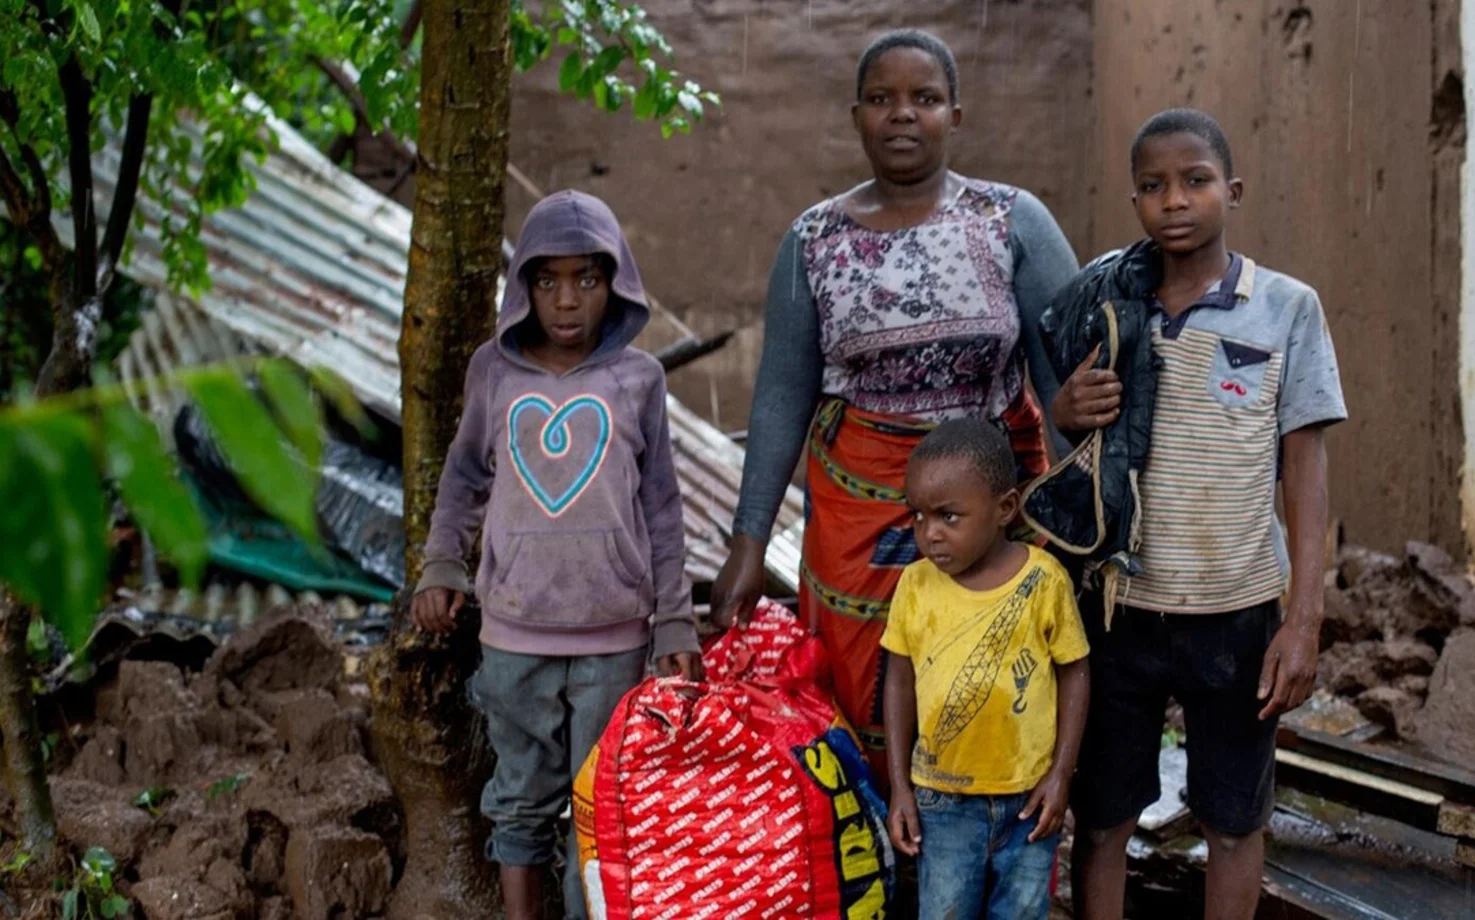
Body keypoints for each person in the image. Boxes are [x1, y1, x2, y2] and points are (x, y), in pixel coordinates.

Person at [712, 28, 1081, 775]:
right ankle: (875, 856)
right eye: (881, 99)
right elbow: (781, 396)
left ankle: (982, 853)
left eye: (924, 98)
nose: (902, 115)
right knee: (861, 673)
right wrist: (748, 543)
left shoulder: (1012, 221)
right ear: (855, 116)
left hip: (998, 502)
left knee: (993, 669)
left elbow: (1065, 385)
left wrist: (1085, 527)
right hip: (861, 507)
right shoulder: (813, 239)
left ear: (955, 114)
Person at [1055, 110, 1347, 920]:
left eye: (1195, 181)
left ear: (1233, 191)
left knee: (1231, 815)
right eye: (1152, 186)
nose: (1173, 201)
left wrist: (1303, 620)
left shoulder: (1285, 308)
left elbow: (1306, 465)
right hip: (1117, 608)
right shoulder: (1108, 303)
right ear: (1134, 199)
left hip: (1238, 612)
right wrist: (1066, 407)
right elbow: (1069, 433)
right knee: (1106, 813)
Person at [409, 190, 702, 920]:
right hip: (513, 633)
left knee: (599, 805)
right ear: (523, 287)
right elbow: (465, 476)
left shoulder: (640, 381)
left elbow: (662, 507)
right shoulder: (494, 373)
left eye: (587, 280)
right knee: (519, 804)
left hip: (614, 636)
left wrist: (674, 620)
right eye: (547, 280)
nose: (567, 300)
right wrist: (443, 565)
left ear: (616, 284)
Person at [880, 419, 1090, 920]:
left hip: (1028, 802)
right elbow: (899, 681)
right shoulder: (916, 586)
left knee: (1020, 913)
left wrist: (1061, 776)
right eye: (918, 516)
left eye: (949, 517)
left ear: (1004, 509)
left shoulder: (1043, 582)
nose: (929, 534)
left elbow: (1075, 673)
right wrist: (900, 787)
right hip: (943, 801)